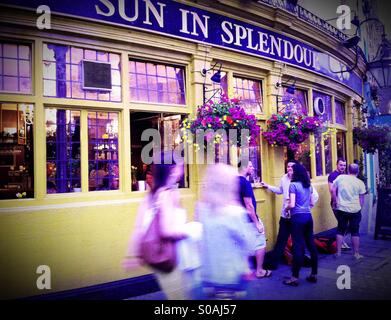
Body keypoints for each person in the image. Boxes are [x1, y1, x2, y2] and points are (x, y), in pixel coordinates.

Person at [123, 155, 197, 300]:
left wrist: (134, 255)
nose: (182, 170)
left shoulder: (151, 194)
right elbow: (167, 230)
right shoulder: (169, 194)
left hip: (159, 259)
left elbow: (139, 228)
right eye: (180, 167)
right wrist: (192, 230)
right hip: (173, 257)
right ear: (172, 170)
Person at [195, 164, 254, 299]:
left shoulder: (202, 209)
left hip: (207, 274)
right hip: (230, 275)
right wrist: (246, 267)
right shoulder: (234, 212)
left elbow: (200, 240)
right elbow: (248, 243)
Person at [261, 161, 318, 269]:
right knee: (281, 238)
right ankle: (274, 263)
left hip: (297, 216)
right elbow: (280, 190)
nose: (289, 168)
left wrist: (304, 208)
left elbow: (314, 196)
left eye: (292, 166)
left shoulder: (302, 180)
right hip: (285, 215)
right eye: (288, 166)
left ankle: (301, 262)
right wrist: (268, 186)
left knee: (298, 241)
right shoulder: (284, 178)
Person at [283, 163, 318, 287]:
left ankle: (294, 278)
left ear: (296, 172)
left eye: (292, 169)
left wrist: (286, 208)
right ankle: (314, 274)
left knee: (297, 246)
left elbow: (292, 204)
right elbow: (312, 202)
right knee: (311, 245)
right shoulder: (308, 185)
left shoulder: (293, 185)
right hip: (308, 217)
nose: (290, 171)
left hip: (297, 218)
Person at [238, 160, 272, 278]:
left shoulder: (234, 181)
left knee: (242, 245)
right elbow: (249, 205)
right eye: (250, 166)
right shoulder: (245, 183)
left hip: (238, 219)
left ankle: (245, 271)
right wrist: (256, 223)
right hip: (249, 219)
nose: (253, 168)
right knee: (260, 242)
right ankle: (259, 271)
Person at [332, 163, 366, 259]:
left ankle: (338, 253)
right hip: (355, 210)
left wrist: (335, 201)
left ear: (348, 170)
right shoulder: (360, 183)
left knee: (340, 230)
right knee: (355, 231)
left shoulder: (341, 178)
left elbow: (333, 189)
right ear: (358, 172)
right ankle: (356, 254)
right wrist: (360, 208)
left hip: (342, 208)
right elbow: (361, 198)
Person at [328, 158, 350, 250]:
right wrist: (335, 202)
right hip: (336, 203)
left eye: (344, 165)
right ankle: (340, 243)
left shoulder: (345, 175)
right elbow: (331, 190)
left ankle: (341, 242)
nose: (342, 167)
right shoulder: (332, 176)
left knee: (345, 223)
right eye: (341, 165)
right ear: (337, 165)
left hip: (345, 203)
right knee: (342, 223)